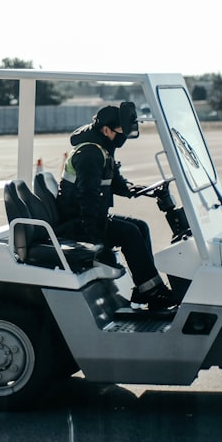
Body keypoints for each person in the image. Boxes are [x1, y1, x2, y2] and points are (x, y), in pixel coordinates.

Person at [56, 102, 177, 310]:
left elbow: (116, 183)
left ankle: (145, 288)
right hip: (78, 222)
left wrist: (142, 189)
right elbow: (88, 196)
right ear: (105, 130)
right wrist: (95, 236)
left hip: (89, 217)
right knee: (129, 233)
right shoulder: (90, 154)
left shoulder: (102, 148)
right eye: (120, 132)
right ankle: (152, 292)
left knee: (140, 227)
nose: (123, 138)